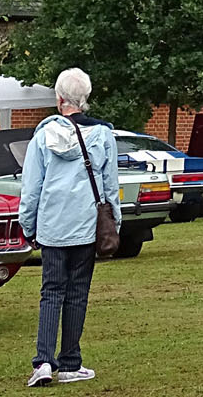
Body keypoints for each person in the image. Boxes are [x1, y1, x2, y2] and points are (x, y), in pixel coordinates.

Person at [20, 68, 120, 387]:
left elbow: (31, 188)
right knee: (77, 293)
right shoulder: (103, 135)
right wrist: (114, 223)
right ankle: (70, 362)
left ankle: (43, 361)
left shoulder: (42, 136)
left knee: (51, 292)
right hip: (86, 225)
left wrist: (27, 224)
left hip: (52, 226)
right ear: (85, 97)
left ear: (59, 98)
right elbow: (110, 185)